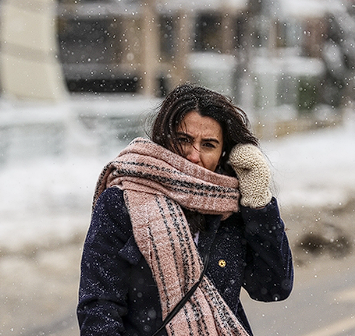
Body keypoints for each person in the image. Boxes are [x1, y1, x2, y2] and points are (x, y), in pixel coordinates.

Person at [77, 84, 293, 335]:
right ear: (163, 139)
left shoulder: (230, 209)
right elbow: (99, 306)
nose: (193, 155)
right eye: (183, 140)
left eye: (209, 145)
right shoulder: (123, 200)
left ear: (224, 152)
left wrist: (258, 201)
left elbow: (275, 286)